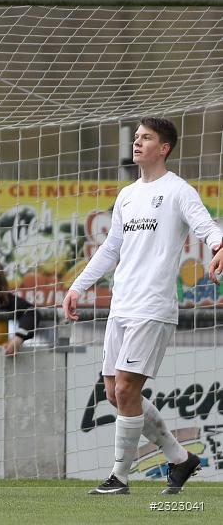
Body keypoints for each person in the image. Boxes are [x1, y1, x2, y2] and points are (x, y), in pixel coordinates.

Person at [62, 117, 223, 495]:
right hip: (122, 305)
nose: (137, 143)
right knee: (115, 392)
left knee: (126, 387)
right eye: (135, 137)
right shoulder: (127, 195)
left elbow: (206, 226)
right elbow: (111, 248)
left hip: (153, 307)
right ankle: (182, 460)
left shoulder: (178, 190)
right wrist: (77, 287)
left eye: (146, 138)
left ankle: (119, 477)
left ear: (164, 147)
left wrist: (220, 245)